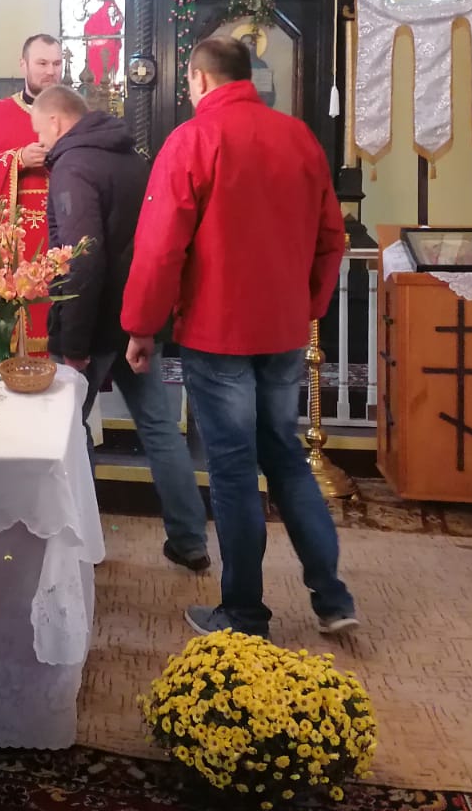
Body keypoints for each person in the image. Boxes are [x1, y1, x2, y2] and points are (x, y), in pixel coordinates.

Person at [122, 38, 356, 641]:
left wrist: (142, 326)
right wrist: (306, 307)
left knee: (231, 470)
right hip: (282, 331)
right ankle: (332, 597)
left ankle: (245, 613)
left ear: (199, 80)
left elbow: (160, 245)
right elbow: (332, 237)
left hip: (217, 330)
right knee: (285, 457)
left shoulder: (193, 140)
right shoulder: (299, 138)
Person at [32, 85, 212, 572]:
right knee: (160, 428)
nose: (40, 142)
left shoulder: (73, 166)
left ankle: (79, 543)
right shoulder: (133, 159)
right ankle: (189, 540)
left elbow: (82, 258)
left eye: (39, 130)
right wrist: (145, 320)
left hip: (93, 326)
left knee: (68, 431)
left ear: (55, 122)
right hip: (138, 320)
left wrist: (73, 342)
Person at [0, 34, 63, 364]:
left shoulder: (75, 115)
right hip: (15, 242)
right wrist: (18, 158)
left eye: (57, 63)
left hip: (62, 234)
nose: (50, 71)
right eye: (42, 63)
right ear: (24, 65)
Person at [82, 0, 123, 86]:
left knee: (108, 63)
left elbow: (119, 17)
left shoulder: (110, 2)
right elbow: (86, 19)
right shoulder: (91, 3)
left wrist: (115, 18)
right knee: (94, 65)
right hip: (94, 41)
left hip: (108, 40)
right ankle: (95, 87)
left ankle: (109, 86)